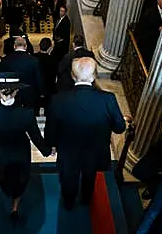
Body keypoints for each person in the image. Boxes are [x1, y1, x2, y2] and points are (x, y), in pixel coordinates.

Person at [45, 57, 127, 209]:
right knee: (90, 176)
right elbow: (119, 128)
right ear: (95, 75)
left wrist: (51, 145)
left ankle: (69, 203)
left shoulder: (58, 100)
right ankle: (86, 200)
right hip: (95, 152)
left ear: (73, 75)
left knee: (68, 178)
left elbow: (50, 128)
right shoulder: (108, 99)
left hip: (68, 152)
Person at [0, 72, 51, 221]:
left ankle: (8, 196)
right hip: (21, 154)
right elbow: (36, 137)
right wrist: (47, 151)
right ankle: (16, 205)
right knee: (21, 179)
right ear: (17, 90)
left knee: (3, 178)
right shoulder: (26, 113)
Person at [0, 37, 44, 115]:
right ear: (26, 46)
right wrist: (41, 92)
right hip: (30, 95)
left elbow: (2, 78)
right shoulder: (33, 60)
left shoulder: (6, 60)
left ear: (14, 46)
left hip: (12, 94)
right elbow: (39, 79)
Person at [34, 38, 57, 110]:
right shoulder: (53, 60)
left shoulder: (33, 57)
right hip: (49, 89)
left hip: (35, 89)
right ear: (50, 47)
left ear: (39, 45)